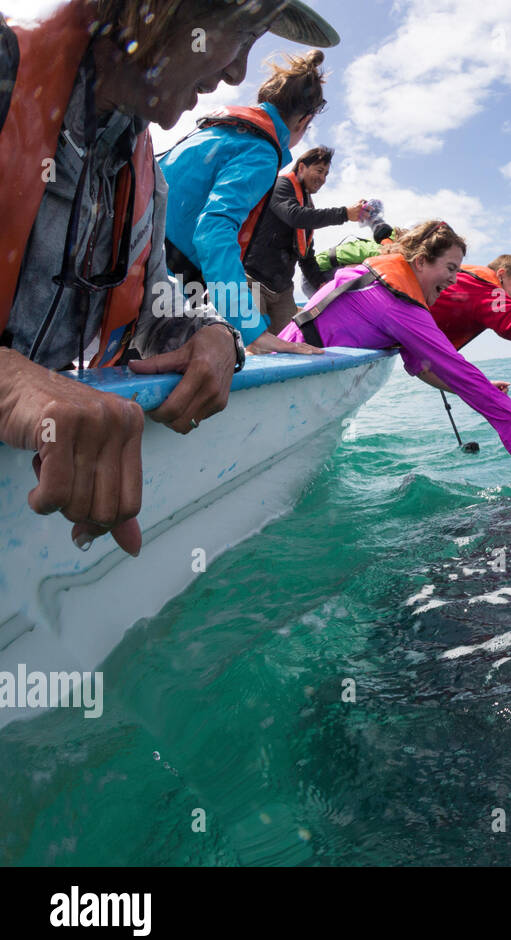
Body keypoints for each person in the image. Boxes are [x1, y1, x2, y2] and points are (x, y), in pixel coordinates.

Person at [0, 0, 340, 557]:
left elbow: (153, 302)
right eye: (242, 33)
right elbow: (215, 233)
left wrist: (212, 335)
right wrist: (250, 328)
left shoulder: (147, 175)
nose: (235, 71)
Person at [278, 220, 511, 455]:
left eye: (458, 270)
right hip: (290, 366)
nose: (454, 279)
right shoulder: (397, 304)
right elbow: (454, 366)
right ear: (420, 262)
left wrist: (479, 388)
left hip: (299, 359)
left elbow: (422, 366)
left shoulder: (392, 285)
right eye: (449, 268)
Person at [158, 46, 333, 354]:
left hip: (137, 258)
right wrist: (252, 332)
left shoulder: (226, 132)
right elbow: (213, 229)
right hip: (157, 276)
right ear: (304, 121)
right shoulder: (262, 152)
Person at [310, 239, 511, 394]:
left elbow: (422, 366)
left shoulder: (465, 281)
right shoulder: (488, 293)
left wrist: (481, 386)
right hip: (338, 316)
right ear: (501, 275)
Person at [242, 144, 365, 334]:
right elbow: (295, 216)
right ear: (301, 168)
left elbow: (306, 256)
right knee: (253, 341)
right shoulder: (280, 186)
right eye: (319, 170)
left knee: (288, 343)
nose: (322, 178)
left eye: (326, 174)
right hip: (252, 281)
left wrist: (322, 286)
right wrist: (345, 214)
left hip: (282, 290)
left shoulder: (307, 205)